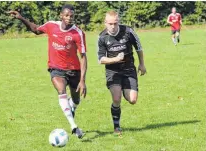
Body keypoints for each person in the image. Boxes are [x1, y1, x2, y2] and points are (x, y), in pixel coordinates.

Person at [8, 4, 87, 139]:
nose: (69, 18)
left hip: (74, 70)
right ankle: (74, 126)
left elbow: (84, 57)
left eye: (72, 16)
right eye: (67, 15)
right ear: (61, 15)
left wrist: (82, 80)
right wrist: (21, 18)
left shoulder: (78, 33)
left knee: (76, 100)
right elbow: (36, 30)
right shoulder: (51, 25)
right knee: (61, 91)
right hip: (56, 69)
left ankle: (72, 107)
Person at [97, 10, 146, 137]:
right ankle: (117, 126)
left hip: (129, 68)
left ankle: (125, 88)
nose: (113, 26)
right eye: (110, 24)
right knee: (116, 99)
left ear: (118, 21)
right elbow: (101, 59)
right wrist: (115, 59)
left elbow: (139, 47)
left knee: (133, 100)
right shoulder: (102, 37)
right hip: (113, 71)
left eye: (115, 23)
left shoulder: (128, 31)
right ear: (105, 23)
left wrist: (142, 64)